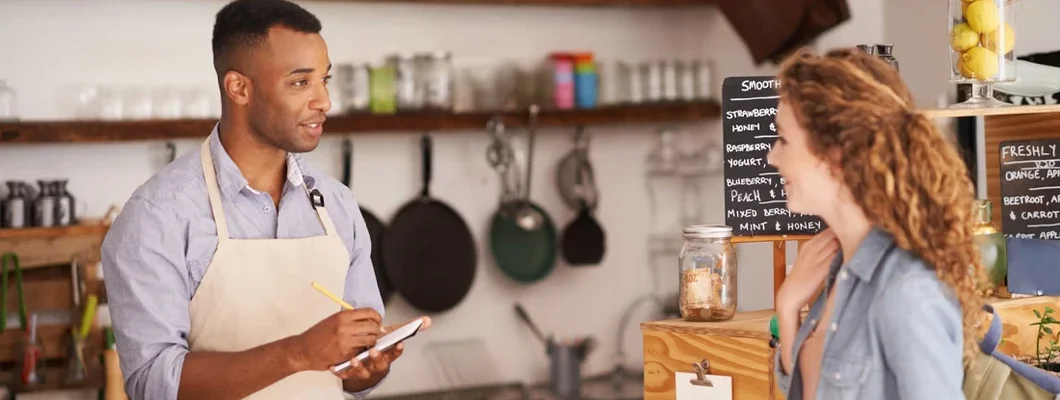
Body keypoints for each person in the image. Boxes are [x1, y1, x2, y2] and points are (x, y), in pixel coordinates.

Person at [100, 0, 429, 399]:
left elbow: (351, 379)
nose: (324, 101)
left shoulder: (337, 205)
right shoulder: (157, 216)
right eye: (300, 82)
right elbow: (153, 383)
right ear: (239, 87)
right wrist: (299, 352)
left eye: (325, 80)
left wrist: (369, 365)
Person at [767, 47, 988, 399]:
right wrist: (788, 305)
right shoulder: (841, 273)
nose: (772, 156)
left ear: (835, 156)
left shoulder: (906, 291)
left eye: (783, 140)